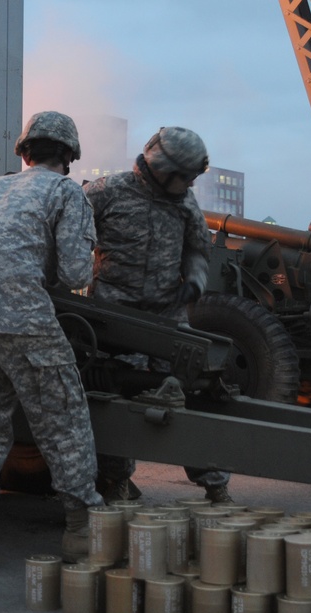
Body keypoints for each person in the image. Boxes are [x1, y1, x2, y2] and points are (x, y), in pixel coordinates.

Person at [0, 111, 104, 574]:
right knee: (63, 418)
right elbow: (75, 274)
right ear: (68, 157)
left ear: (25, 152)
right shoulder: (65, 192)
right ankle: (78, 531)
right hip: (21, 315)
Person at [84, 126, 232, 504]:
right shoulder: (105, 193)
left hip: (168, 316)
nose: (190, 184)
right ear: (162, 167)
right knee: (114, 403)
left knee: (187, 398)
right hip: (116, 319)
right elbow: (71, 237)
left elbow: (199, 251)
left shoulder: (185, 204)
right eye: (185, 176)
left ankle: (215, 483)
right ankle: (115, 480)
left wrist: (195, 283)